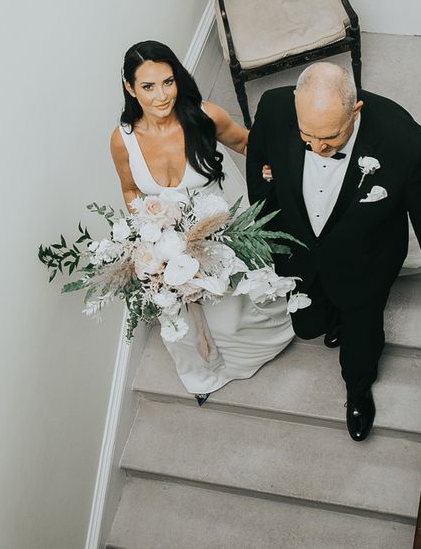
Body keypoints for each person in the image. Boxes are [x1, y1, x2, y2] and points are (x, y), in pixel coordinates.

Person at [246, 62, 421, 441]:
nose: (318, 150)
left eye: (330, 138)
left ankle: (358, 389)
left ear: (356, 112)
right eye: (308, 136)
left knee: (361, 332)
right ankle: (329, 319)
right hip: (300, 251)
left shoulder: (403, 140)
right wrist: (269, 225)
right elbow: (258, 161)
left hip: (366, 259)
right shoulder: (273, 107)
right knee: (310, 324)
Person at [110, 40, 294, 404]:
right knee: (176, 320)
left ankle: (250, 353)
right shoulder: (123, 140)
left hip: (222, 232)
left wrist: (274, 166)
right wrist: (148, 235)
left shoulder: (205, 117)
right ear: (130, 89)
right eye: (148, 87)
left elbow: (246, 143)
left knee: (232, 312)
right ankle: (201, 373)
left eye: (168, 82)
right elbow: (131, 191)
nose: (162, 96)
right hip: (168, 243)